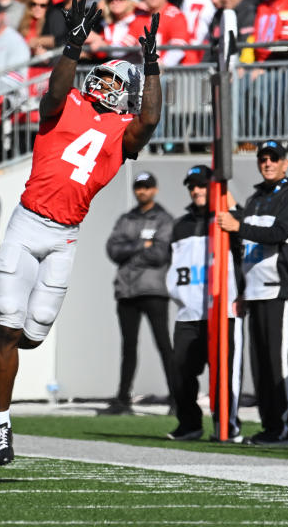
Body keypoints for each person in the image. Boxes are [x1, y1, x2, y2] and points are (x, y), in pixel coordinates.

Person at [0, 0, 164, 465]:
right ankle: (1, 424)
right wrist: (74, 43)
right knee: (8, 320)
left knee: (34, 334)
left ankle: (6, 342)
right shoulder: (64, 104)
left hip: (65, 236)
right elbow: (52, 92)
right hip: (27, 225)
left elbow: (149, 120)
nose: (103, 83)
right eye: (100, 76)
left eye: (113, 80)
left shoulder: (123, 130)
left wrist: (151, 68)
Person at [217, 140, 288, 446]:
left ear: (285, 163)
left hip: (278, 291)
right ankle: (270, 426)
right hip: (253, 292)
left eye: (273, 158)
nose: (267, 163)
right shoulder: (254, 199)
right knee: (261, 366)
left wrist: (237, 225)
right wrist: (241, 290)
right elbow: (245, 249)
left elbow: (279, 233)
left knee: (280, 364)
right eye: (263, 158)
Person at [165, 164, 242, 442]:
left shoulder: (226, 218)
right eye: (192, 186)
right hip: (188, 312)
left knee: (223, 373)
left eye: (202, 185)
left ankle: (227, 425)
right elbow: (173, 266)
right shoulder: (181, 225)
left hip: (222, 310)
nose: (196, 190)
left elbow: (243, 245)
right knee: (180, 371)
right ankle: (190, 424)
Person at [102, 171, 174, 415]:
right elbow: (112, 250)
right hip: (127, 291)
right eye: (138, 187)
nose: (141, 191)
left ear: (154, 189)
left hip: (153, 290)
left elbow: (161, 254)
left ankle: (177, 399)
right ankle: (123, 400)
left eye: (146, 187)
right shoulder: (126, 218)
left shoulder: (163, 219)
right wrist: (141, 245)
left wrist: (130, 250)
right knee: (128, 347)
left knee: (164, 345)